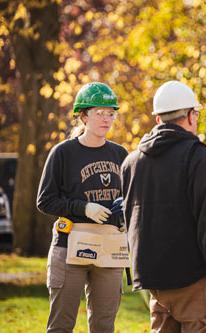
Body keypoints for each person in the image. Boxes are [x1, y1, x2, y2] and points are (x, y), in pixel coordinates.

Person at [120, 80, 206, 333]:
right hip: (195, 280)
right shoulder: (198, 156)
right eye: (196, 115)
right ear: (189, 115)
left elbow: (130, 221)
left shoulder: (131, 162)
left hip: (154, 281)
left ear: (158, 120)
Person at [37, 82, 128, 333]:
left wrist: (124, 209)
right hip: (69, 246)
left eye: (111, 113)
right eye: (99, 112)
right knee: (61, 325)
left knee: (103, 325)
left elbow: (133, 198)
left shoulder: (120, 154)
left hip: (110, 248)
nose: (106, 118)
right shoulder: (63, 153)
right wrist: (83, 207)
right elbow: (45, 200)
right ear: (83, 115)